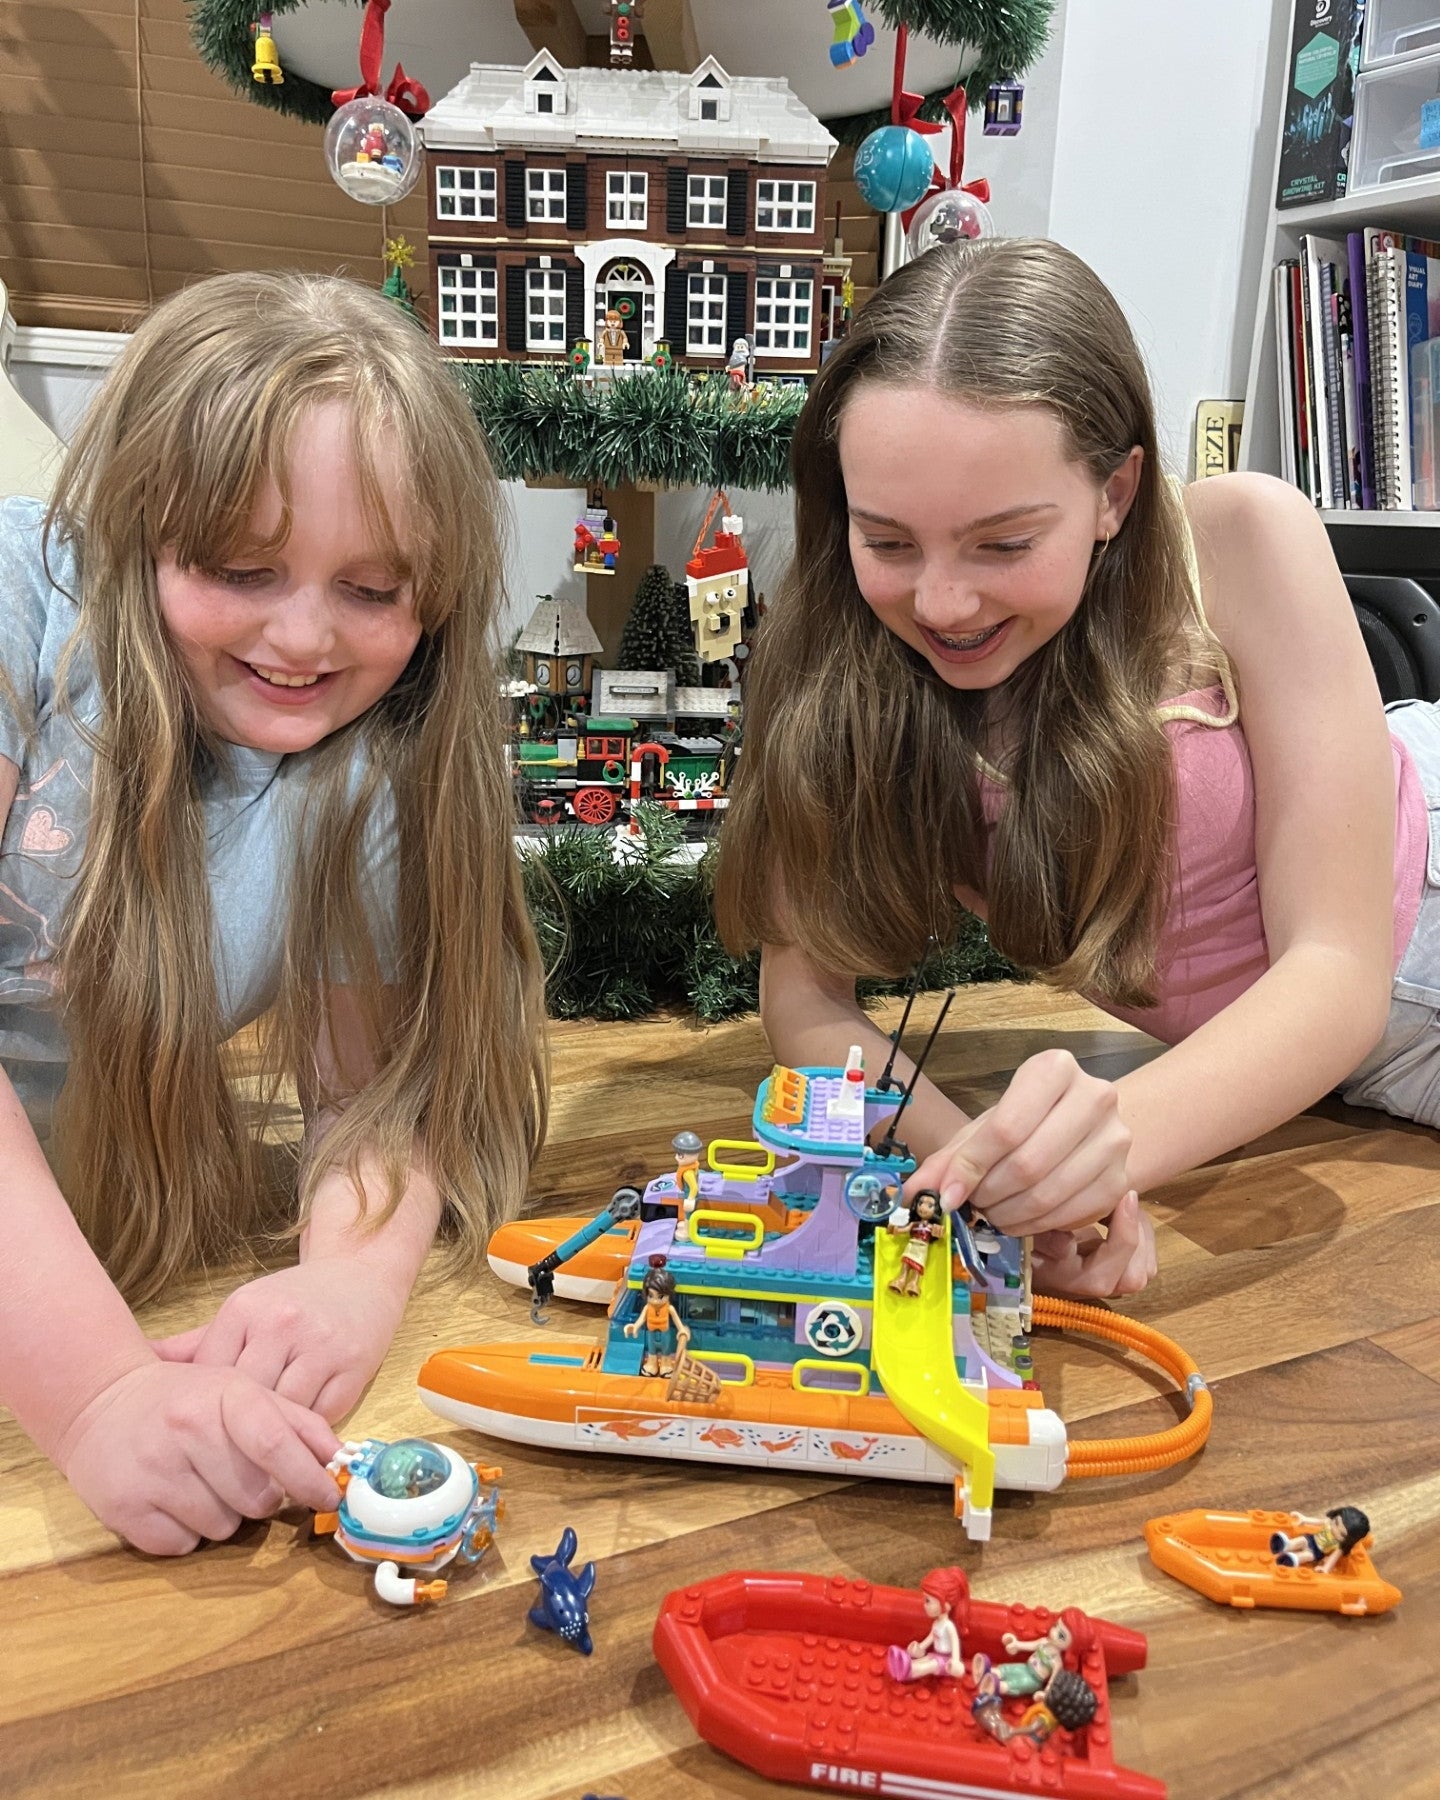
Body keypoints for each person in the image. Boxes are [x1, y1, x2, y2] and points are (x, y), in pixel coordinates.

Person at [715, 235, 1425, 1299]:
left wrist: (1102, 1148)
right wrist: (988, 1177)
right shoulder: (836, 659)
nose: (944, 604)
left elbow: (1335, 970)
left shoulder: (1243, 536)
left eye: (1004, 544)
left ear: (1115, 491)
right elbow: (806, 998)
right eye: (890, 542)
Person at [0, 271, 549, 1556]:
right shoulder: (22, 602)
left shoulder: (370, 769)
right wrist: (98, 1398)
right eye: (242, 567)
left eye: (374, 591)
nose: (303, 639)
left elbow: (376, 1097)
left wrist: (350, 1276)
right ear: (136, 527)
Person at [886, 1564, 966, 1682]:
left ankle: (906, 1670)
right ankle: (903, 1666)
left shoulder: (949, 1626)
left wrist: (955, 1661)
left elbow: (955, 1644)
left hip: (946, 1662)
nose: (924, 1605)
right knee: (921, 1661)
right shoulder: (936, 1624)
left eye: (928, 1601)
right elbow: (930, 1639)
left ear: (946, 1604)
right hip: (936, 1656)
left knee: (929, 1666)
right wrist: (919, 1647)